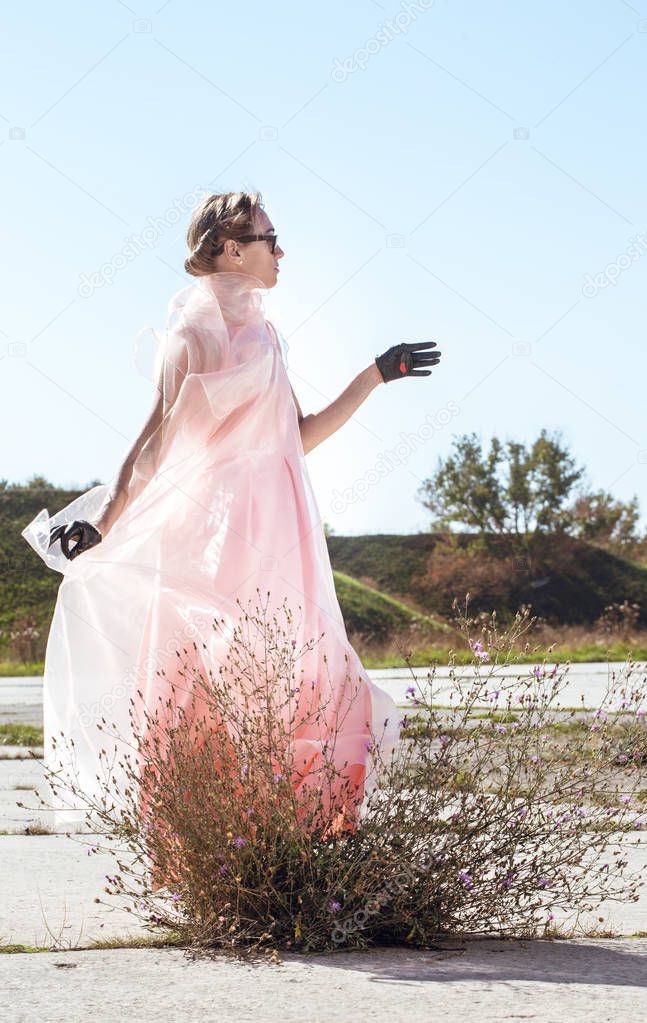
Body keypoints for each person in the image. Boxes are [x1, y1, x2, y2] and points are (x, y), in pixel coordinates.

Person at [21, 190, 442, 834]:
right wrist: (105, 518)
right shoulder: (191, 335)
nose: (281, 251)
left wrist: (375, 376)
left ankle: (300, 845)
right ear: (227, 249)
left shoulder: (268, 335)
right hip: (216, 534)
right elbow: (155, 438)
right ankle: (211, 848)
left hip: (285, 528)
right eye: (269, 239)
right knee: (214, 682)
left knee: (308, 671)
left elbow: (295, 435)